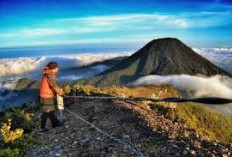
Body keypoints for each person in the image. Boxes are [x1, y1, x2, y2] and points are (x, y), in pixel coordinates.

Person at [39, 62, 63, 132]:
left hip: (45, 94)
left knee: (50, 111)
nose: (58, 68)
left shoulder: (48, 73)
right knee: (46, 112)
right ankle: (42, 127)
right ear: (54, 68)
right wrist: (60, 93)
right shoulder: (50, 74)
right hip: (46, 95)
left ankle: (54, 124)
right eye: (57, 67)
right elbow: (54, 85)